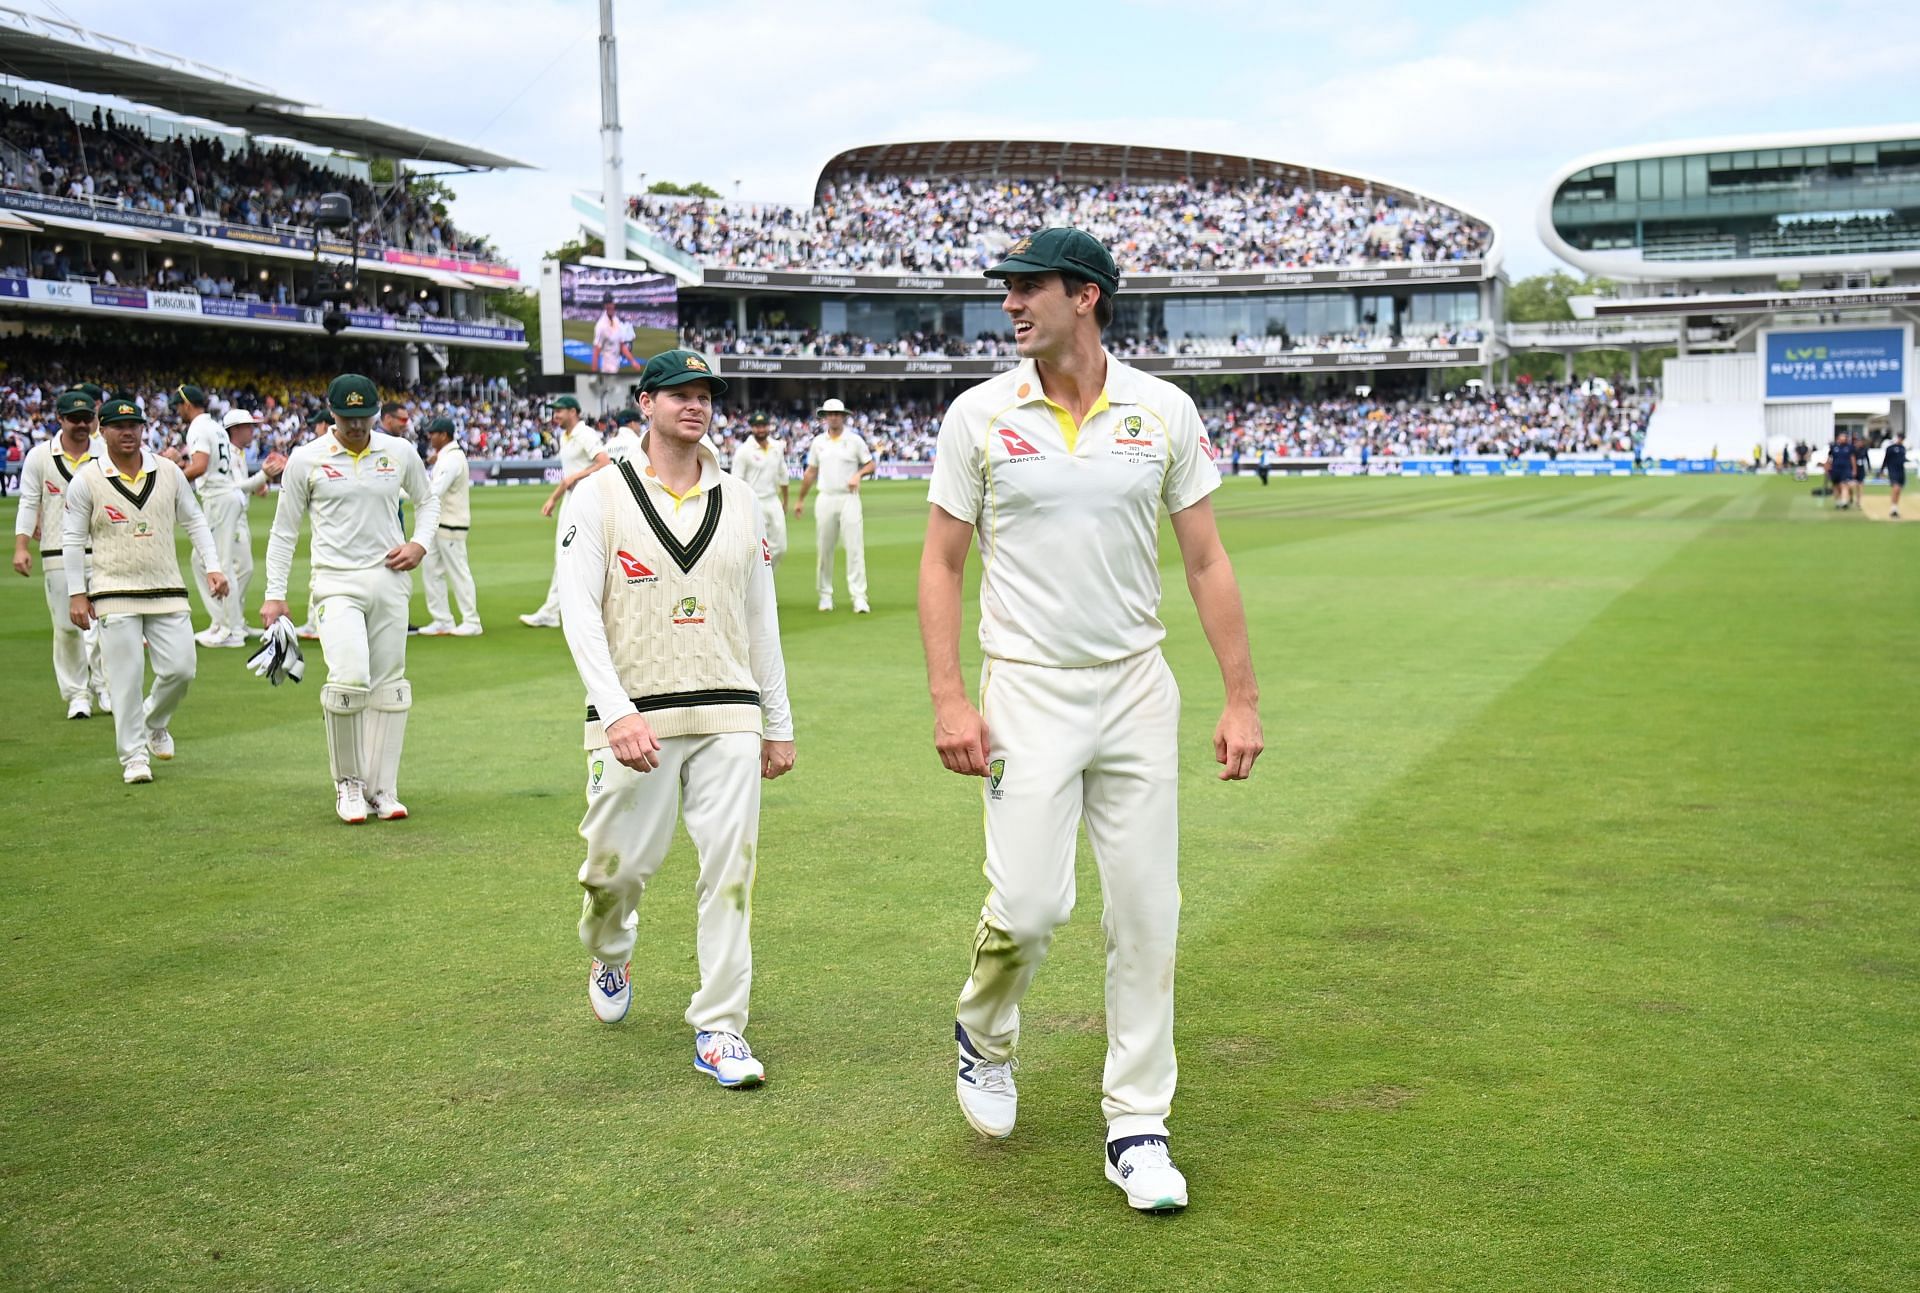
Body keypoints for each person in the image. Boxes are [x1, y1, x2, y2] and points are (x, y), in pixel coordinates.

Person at [918, 227, 1263, 1214]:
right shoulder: (979, 415)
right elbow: (942, 564)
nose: (1012, 304)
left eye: (1030, 289)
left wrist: (1241, 697)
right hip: (1025, 688)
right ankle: (985, 1031)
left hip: (1136, 689)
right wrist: (950, 695)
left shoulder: (1163, 411)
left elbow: (1205, 561)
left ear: (1088, 296)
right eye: (1009, 290)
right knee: (1030, 908)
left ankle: (1137, 1125)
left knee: (1150, 911)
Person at [557, 349, 795, 1088]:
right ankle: (612, 946)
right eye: (679, 394)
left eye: (705, 395)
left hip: (729, 709)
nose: (695, 405)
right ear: (646, 403)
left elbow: (761, 616)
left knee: (732, 872)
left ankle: (720, 1026)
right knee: (613, 873)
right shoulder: (598, 495)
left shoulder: (745, 500)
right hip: (635, 719)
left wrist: (777, 719)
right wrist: (617, 709)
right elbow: (578, 612)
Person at [261, 374, 441, 824]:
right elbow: (284, 530)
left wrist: (418, 543)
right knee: (349, 678)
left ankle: (383, 789)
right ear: (331, 414)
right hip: (335, 581)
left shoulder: (398, 451)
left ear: (376, 413)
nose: (357, 426)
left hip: (389, 578)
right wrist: (274, 595)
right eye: (347, 418)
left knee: (390, 685)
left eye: (364, 418)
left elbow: (428, 501)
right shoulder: (307, 459)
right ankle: (349, 784)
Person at [63, 396, 226, 784]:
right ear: (103, 432)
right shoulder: (87, 479)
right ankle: (134, 756)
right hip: (113, 589)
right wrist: (76, 593)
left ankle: (154, 720)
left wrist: (214, 567)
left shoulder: (168, 471)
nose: (128, 433)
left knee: (182, 669)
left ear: (142, 429)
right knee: (124, 678)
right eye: (119, 427)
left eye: (134, 426)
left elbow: (196, 521)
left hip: (166, 586)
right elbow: (72, 539)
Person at [12, 389, 111, 718]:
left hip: (102, 551)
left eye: (88, 419)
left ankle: (105, 686)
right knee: (68, 627)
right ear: (60, 419)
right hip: (56, 553)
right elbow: (28, 502)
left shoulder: (104, 453)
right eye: (75, 419)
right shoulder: (40, 457)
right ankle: (77, 694)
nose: (82, 425)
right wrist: (22, 546)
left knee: (107, 625)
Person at [187, 406, 282, 647]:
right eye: (250, 427)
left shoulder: (237, 453)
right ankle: (225, 625)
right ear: (236, 430)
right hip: (226, 513)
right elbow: (235, 488)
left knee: (245, 569)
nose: (253, 432)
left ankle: (234, 622)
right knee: (212, 564)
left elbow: (242, 486)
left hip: (237, 516)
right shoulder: (227, 452)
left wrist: (260, 483)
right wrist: (263, 476)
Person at [521, 395, 607, 628]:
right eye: (554, 412)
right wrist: (554, 499)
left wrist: (576, 478)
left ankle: (557, 611)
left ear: (573, 411)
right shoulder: (565, 435)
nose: (555, 416)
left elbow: (604, 462)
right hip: (572, 500)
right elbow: (568, 476)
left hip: (586, 501)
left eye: (559, 411)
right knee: (567, 556)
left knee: (571, 555)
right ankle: (555, 610)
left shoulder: (585, 434)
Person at [793, 397, 874, 613]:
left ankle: (859, 597)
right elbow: (810, 472)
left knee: (855, 549)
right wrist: (800, 499)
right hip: (826, 497)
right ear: (825, 418)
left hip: (849, 497)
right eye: (830, 414)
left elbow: (871, 463)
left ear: (843, 416)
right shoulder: (818, 442)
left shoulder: (855, 440)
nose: (834, 417)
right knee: (824, 549)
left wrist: (858, 474)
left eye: (838, 414)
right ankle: (825, 595)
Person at [418, 417, 481, 636]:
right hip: (438, 523)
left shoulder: (452, 458)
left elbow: (435, 490)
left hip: (451, 524)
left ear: (443, 435)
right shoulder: (445, 457)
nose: (429, 437)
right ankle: (442, 619)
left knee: (458, 573)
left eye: (433, 433)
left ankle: (472, 621)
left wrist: (404, 492)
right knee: (431, 571)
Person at [729, 412, 789, 570]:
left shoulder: (777, 446)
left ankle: (768, 580)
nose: (761, 429)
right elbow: (736, 482)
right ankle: (756, 587)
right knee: (755, 549)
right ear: (752, 428)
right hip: (753, 503)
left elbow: (783, 475)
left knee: (780, 547)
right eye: (757, 426)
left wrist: (786, 501)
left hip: (773, 500)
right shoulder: (744, 451)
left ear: (768, 426)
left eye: (763, 426)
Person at [1885, 429, 1906, 519]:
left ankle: (1895, 507)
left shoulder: (1903, 448)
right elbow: (1886, 459)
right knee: (1895, 488)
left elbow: (1902, 459)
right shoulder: (1890, 448)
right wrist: (1882, 470)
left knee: (1899, 490)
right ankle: (1893, 508)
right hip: (1893, 471)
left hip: (1901, 471)